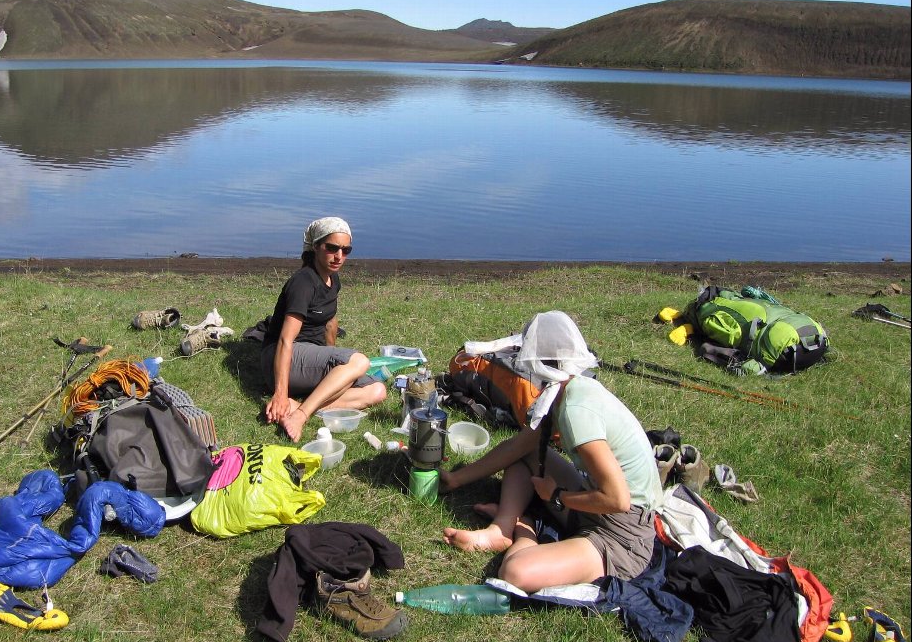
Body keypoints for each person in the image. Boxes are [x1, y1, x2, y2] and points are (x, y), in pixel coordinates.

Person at [440, 311, 662, 592]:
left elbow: (618, 499)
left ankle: (525, 529)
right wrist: (458, 479)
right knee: (526, 455)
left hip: (622, 535)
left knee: (515, 573)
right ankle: (500, 529)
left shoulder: (576, 411)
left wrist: (557, 496)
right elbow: (521, 445)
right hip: (596, 504)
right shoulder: (569, 389)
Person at [260, 217, 386, 441]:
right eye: (332, 248)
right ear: (316, 246)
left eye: (346, 250)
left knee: (377, 391)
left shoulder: (332, 280)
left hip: (307, 359)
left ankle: (299, 405)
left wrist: (334, 361)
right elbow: (285, 340)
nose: (339, 256)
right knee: (360, 361)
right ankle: (300, 415)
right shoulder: (303, 282)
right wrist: (280, 393)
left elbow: (331, 322)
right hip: (281, 360)